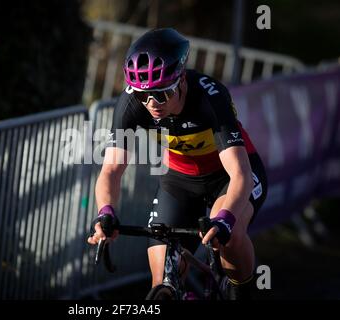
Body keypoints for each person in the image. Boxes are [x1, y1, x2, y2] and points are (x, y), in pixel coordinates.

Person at [87, 28, 268, 300]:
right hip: (180, 180)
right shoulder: (130, 104)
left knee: (230, 238)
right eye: (142, 96)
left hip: (229, 177)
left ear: (181, 80)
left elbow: (240, 174)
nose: (151, 103)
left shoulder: (210, 97)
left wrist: (225, 221)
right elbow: (112, 168)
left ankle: (243, 293)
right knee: (161, 281)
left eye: (161, 95)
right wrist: (105, 212)